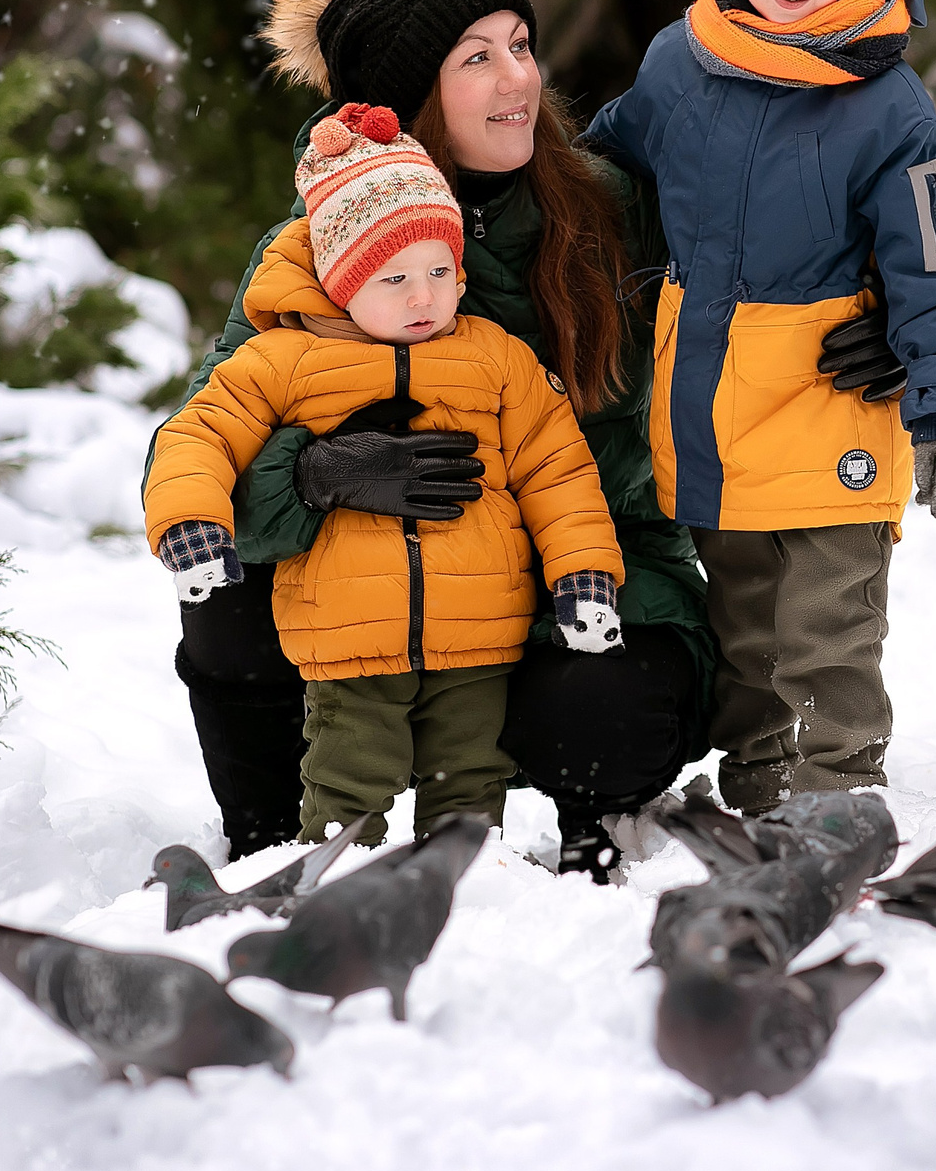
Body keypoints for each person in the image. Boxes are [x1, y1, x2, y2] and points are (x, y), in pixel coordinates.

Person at [161, 0, 726, 879]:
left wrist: (878, 319)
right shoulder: (315, 249)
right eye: (477, 58)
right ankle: (269, 852)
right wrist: (312, 476)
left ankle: (593, 819)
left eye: (520, 43)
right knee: (223, 607)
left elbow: (762, 274)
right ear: (409, 94)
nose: (520, 78)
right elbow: (197, 439)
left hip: (585, 581)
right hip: (375, 595)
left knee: (598, 718)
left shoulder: (611, 210)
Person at [581, 0, 936, 814]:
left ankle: (835, 788)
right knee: (748, 622)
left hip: (832, 399)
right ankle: (764, 779)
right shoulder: (681, 61)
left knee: (829, 622)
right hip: (710, 400)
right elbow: (604, 170)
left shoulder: (889, 104)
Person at [145, 104, 624, 843]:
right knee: (348, 773)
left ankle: (467, 880)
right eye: (394, 276)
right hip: (345, 631)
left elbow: (557, 471)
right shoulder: (285, 358)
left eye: (440, 270)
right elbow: (200, 434)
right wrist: (193, 526)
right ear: (340, 283)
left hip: (481, 625)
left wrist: (583, 575)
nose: (423, 296)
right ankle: (336, 868)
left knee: (471, 773)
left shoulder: (495, 358)